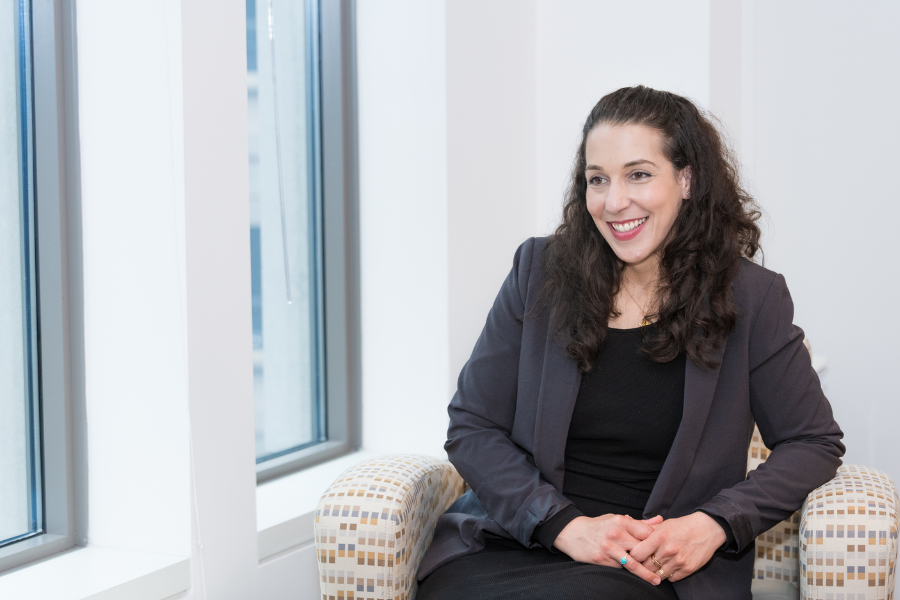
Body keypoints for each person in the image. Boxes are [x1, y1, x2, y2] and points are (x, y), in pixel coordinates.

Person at [415, 86, 844, 600]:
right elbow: (473, 424)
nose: (614, 202)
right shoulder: (538, 273)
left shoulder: (751, 298)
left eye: (638, 174)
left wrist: (714, 523)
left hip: (651, 570)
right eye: (598, 180)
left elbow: (812, 442)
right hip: (521, 543)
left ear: (686, 180)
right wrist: (565, 527)